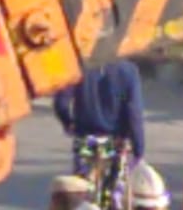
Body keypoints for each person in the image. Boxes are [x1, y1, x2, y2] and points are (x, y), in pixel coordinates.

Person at [53, 59, 146, 206]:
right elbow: (134, 112)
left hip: (85, 138)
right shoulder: (128, 71)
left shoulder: (79, 66)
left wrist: (68, 122)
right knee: (112, 194)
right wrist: (138, 148)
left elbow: (61, 102)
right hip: (116, 141)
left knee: (81, 192)